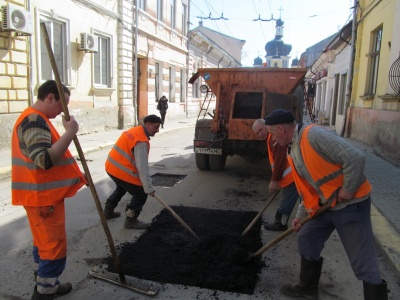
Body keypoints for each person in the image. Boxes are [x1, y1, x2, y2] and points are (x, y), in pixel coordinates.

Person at [264, 109, 388, 300]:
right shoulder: (292, 149)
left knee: (362, 259)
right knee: (306, 239)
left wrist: (348, 188)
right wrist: (300, 216)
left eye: (272, 133)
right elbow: (307, 190)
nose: (272, 138)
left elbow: (355, 158)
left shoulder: (313, 135)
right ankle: (307, 287)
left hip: (350, 205)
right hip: (325, 206)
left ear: (281, 129)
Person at [11, 80, 87, 300]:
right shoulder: (34, 120)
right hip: (43, 199)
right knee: (54, 250)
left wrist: (78, 177)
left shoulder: (37, 118)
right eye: (61, 106)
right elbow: (44, 159)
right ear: (50, 97)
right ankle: (44, 293)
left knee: (43, 245)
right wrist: (70, 133)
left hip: (41, 197)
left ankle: (46, 284)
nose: (62, 111)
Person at [103, 114, 162, 229]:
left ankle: (108, 212)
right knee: (140, 194)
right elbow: (142, 168)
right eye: (156, 127)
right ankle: (131, 221)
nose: (157, 130)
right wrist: (148, 188)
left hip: (111, 167)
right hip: (120, 170)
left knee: (121, 188)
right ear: (148, 124)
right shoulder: (141, 141)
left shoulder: (135, 130)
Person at [252, 119, 299, 231]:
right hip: (289, 176)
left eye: (260, 130)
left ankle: (280, 224)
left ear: (266, 126)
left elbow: (279, 161)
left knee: (286, 201)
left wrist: (275, 181)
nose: (260, 134)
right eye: (257, 133)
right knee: (289, 199)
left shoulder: (274, 139)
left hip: (291, 176)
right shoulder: (270, 138)